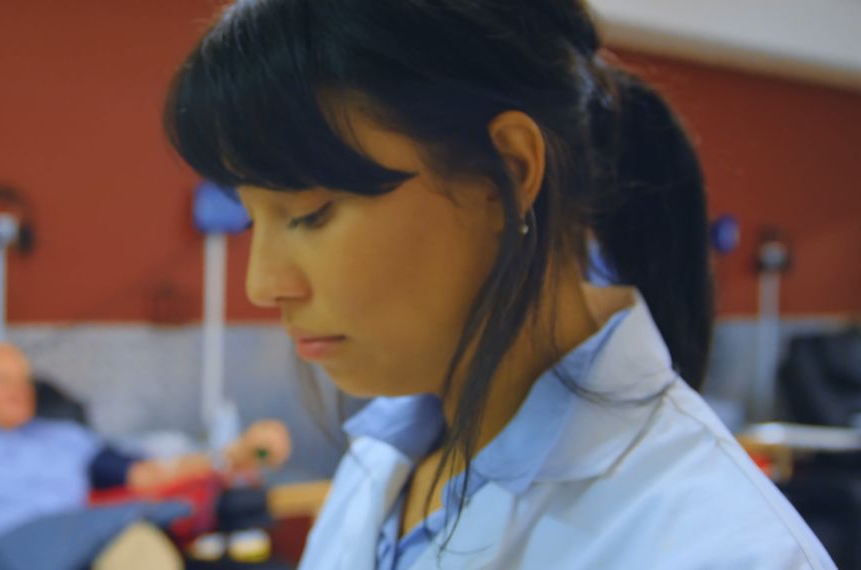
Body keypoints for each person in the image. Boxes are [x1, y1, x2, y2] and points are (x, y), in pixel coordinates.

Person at [161, 1, 834, 568]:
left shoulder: (723, 547)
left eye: (311, 213)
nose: (261, 285)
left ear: (506, 175)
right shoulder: (386, 457)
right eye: (255, 221)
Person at [0, 342, 290, 568]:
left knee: (142, 546)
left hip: (85, 544)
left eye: (24, 379)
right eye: (1, 379)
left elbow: (145, 472)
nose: (19, 391)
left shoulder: (63, 437)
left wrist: (231, 456)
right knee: (134, 521)